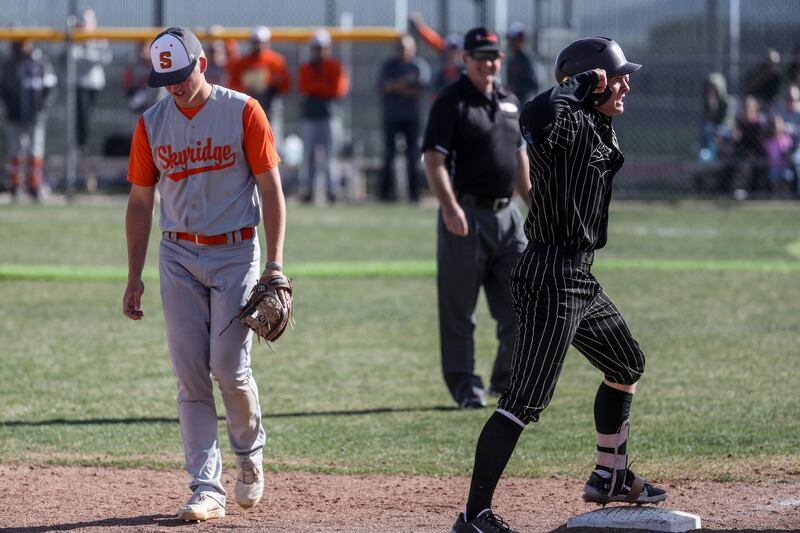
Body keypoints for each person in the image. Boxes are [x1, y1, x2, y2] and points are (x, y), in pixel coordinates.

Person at [451, 37, 667, 533]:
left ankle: (610, 475)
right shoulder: (565, 122)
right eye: (617, 77)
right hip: (551, 275)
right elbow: (534, 115)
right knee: (522, 402)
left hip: (578, 275)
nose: (626, 86)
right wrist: (581, 83)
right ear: (591, 81)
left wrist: (595, 91)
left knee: (626, 363)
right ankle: (474, 516)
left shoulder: (595, 124)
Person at [122, 27, 289, 522]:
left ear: (201, 64)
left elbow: (272, 190)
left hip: (236, 253)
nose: (174, 86)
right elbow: (140, 201)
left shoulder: (243, 111)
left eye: (180, 75)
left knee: (228, 367)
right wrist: (133, 275)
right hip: (176, 255)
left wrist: (275, 264)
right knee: (190, 374)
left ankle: (249, 454)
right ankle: (206, 488)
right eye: (164, 79)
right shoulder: (151, 124)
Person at [422, 26, 530, 410]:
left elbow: (519, 156)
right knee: (459, 311)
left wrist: (533, 204)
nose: (488, 64)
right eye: (480, 57)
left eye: (493, 56)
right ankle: (466, 385)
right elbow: (433, 159)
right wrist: (450, 206)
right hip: (466, 215)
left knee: (522, 302)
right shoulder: (450, 101)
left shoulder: (510, 101)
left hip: (509, 217)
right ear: (465, 59)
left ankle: (508, 379)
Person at [0, 38, 57, 200]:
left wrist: (42, 109)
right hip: (15, 114)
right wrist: (9, 106)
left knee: (35, 149)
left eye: (24, 42)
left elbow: (50, 88)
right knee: (15, 150)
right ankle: (15, 184)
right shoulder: (9, 63)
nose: (21, 47)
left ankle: (34, 184)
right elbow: (3, 88)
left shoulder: (41, 61)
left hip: (35, 114)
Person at [297, 30, 350, 203]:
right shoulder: (306, 67)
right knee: (309, 155)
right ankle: (308, 190)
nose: (318, 51)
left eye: (321, 48)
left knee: (331, 155)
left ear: (328, 49)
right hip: (310, 116)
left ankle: (332, 190)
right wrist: (323, 86)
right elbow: (305, 87)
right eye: (316, 48)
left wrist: (317, 88)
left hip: (329, 115)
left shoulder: (335, 66)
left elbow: (338, 89)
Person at [377, 34, 430, 202]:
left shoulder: (418, 65)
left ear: (413, 49)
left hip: (411, 117)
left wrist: (395, 86)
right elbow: (382, 87)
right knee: (389, 154)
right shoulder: (389, 65)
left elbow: (421, 90)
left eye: (406, 48)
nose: (402, 51)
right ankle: (385, 194)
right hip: (391, 116)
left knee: (413, 155)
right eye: (400, 48)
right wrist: (405, 82)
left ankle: (414, 194)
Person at [227, 25, 290, 144]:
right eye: (255, 42)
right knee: (250, 137)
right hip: (249, 102)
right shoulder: (242, 63)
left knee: (272, 137)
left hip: (270, 102)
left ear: (267, 42)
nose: (258, 45)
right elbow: (233, 84)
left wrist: (271, 83)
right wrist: (247, 87)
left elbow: (285, 85)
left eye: (261, 42)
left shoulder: (276, 61)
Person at [122, 40, 166, 115]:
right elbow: (126, 84)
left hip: (158, 103)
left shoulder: (159, 62)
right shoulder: (133, 63)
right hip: (141, 104)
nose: (144, 50)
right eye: (142, 46)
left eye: (147, 46)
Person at [504, 22, 539, 105]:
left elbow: (535, 83)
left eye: (514, 39)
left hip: (526, 102)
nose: (511, 43)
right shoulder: (513, 59)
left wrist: (516, 88)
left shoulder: (528, 58)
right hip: (514, 101)